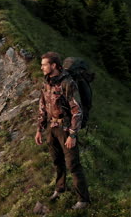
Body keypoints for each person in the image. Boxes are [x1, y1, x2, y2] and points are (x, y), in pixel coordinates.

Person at [35, 51, 91, 210]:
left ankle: (83, 200)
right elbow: (42, 107)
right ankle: (60, 189)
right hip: (51, 129)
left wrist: (72, 134)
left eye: (44, 65)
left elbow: (77, 111)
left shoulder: (67, 83)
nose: (41, 68)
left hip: (65, 129)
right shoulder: (46, 82)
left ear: (53, 65)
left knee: (73, 164)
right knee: (56, 161)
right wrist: (39, 129)